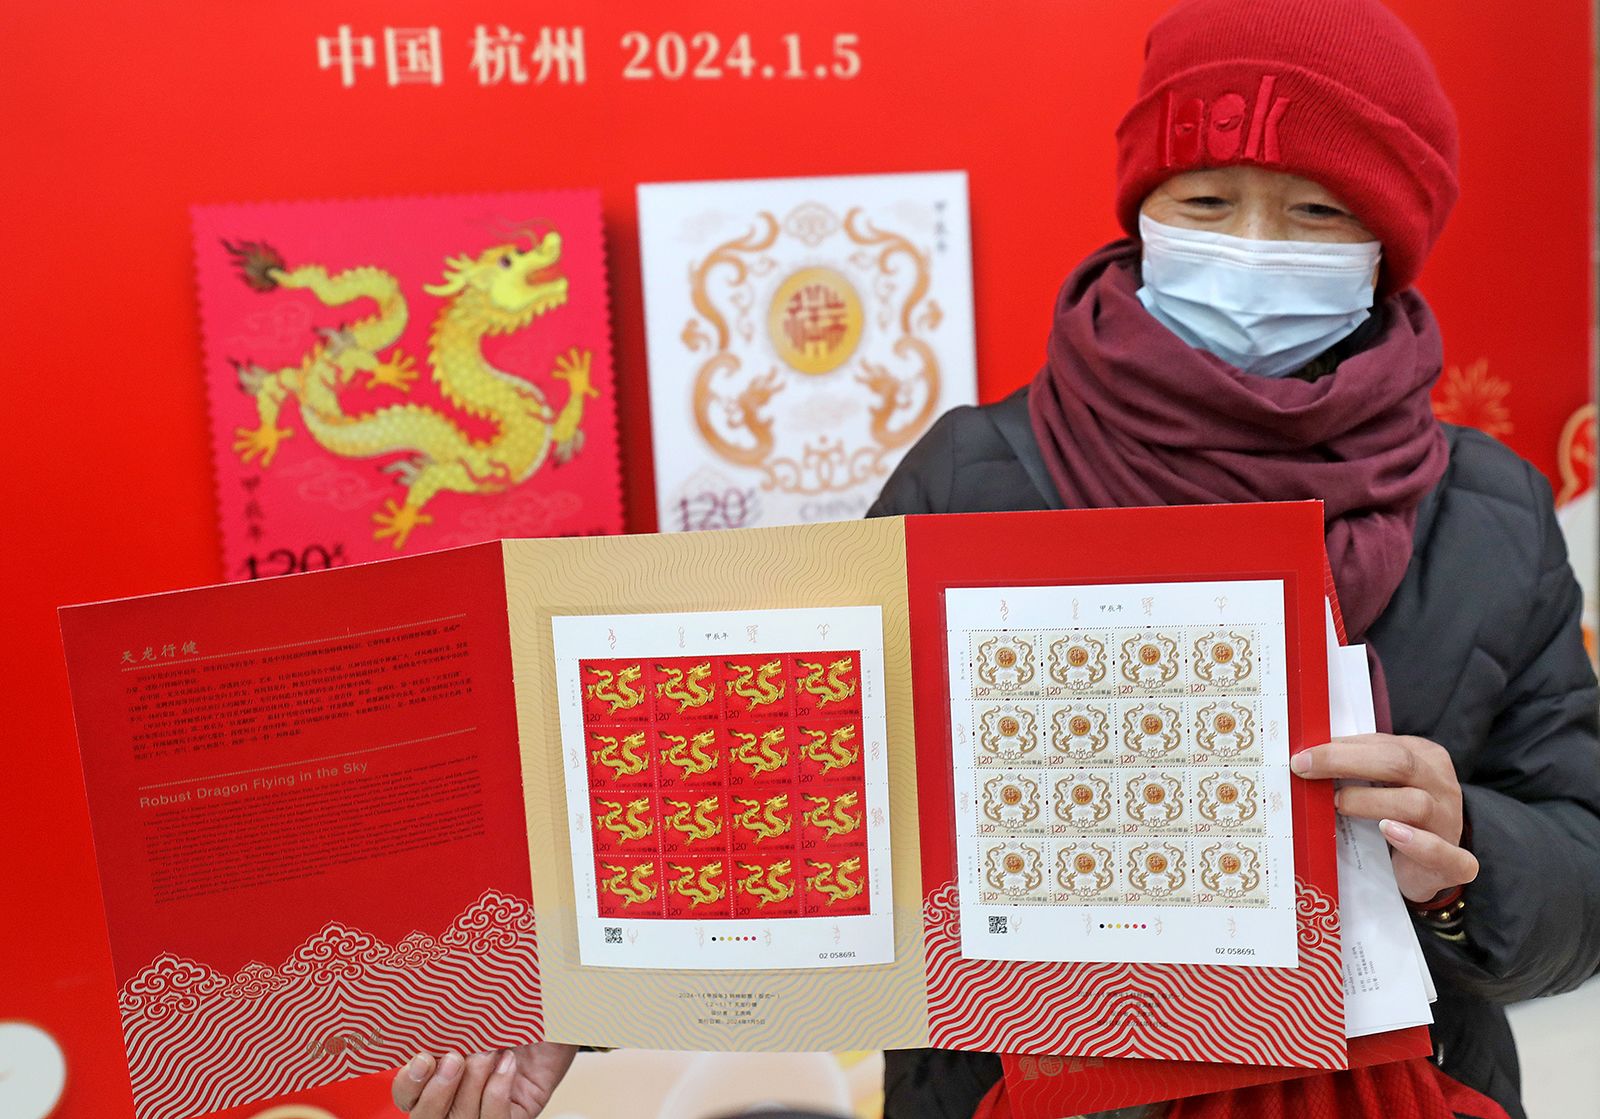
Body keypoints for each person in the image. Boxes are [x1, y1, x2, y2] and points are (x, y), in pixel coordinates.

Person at [392, 1, 1599, 1117]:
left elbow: (1581, 869)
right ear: (1139, 208)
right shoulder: (972, 479)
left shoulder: (1485, 508)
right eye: (1207, 200)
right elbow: (802, 792)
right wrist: (577, 1002)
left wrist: (1467, 856)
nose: (1252, 246)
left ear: (1388, 239)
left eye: (1315, 211)